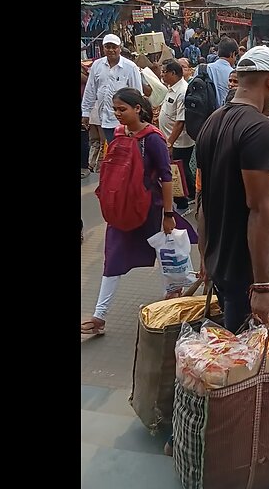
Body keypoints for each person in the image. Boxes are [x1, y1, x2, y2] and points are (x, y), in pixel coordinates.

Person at [195, 46, 269, 334]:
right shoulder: (260, 130)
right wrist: (263, 285)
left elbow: (203, 200)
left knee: (237, 348)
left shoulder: (213, 121)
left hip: (223, 264)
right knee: (245, 358)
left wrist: (207, 256)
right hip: (246, 273)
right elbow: (260, 209)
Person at [81, 88, 199, 336]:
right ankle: (99, 316)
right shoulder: (118, 133)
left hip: (151, 209)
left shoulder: (153, 138)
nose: (118, 114)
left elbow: (167, 178)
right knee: (113, 258)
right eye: (115, 110)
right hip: (124, 210)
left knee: (170, 253)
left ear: (138, 109)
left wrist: (168, 215)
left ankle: (194, 290)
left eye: (122, 109)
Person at [82, 34, 143, 147]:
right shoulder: (97, 65)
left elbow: (137, 94)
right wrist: (85, 112)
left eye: (114, 47)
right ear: (103, 48)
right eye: (107, 47)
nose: (110, 50)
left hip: (125, 122)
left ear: (119, 48)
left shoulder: (130, 67)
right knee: (112, 149)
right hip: (104, 119)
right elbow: (90, 90)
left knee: (126, 150)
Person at [159, 61, 196, 215]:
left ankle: (183, 202)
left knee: (178, 171)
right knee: (181, 169)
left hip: (179, 140)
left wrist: (170, 142)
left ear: (173, 73)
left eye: (164, 72)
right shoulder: (172, 89)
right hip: (171, 139)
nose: (161, 75)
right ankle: (191, 195)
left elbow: (180, 121)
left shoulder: (182, 91)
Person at [207, 39, 236, 107]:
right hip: (225, 114)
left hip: (202, 115)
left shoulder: (201, 69)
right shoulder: (234, 75)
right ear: (232, 54)